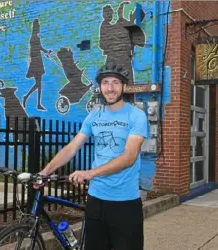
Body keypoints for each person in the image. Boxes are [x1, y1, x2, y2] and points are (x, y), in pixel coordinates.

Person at [38, 61, 148, 250]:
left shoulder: (136, 116)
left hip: (125, 203)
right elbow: (71, 148)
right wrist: (45, 172)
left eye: (115, 82)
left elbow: (129, 157)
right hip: (96, 201)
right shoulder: (94, 117)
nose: (110, 88)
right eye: (105, 82)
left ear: (123, 86)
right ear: (100, 86)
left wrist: (91, 173)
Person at [23, 19, 51, 110]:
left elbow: (37, 49)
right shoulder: (35, 38)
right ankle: (29, 98)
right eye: (38, 27)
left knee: (39, 84)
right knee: (39, 84)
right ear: (36, 28)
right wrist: (46, 52)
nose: (39, 28)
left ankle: (32, 100)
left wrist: (46, 52)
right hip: (37, 62)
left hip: (36, 61)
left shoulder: (33, 37)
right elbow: (38, 48)